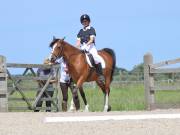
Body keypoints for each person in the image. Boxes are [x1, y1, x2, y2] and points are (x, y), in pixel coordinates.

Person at [75, 14, 105, 83]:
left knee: (95, 57)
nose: (84, 22)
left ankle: (100, 75)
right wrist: (75, 48)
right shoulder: (80, 31)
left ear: (88, 21)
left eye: (86, 21)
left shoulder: (91, 29)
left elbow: (91, 39)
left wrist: (86, 45)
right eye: (83, 21)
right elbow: (78, 42)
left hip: (91, 47)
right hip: (82, 48)